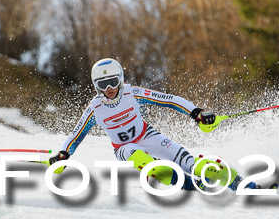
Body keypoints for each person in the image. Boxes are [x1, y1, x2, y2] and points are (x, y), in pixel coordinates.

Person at [49, 58, 255, 191]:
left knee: (195, 165)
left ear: (121, 79)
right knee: (146, 161)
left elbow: (169, 99)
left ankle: (245, 185)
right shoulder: (95, 109)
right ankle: (186, 182)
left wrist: (196, 112)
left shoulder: (133, 93)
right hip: (123, 148)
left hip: (149, 136)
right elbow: (76, 135)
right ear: (96, 87)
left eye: (113, 81)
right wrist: (63, 154)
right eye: (103, 85)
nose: (110, 88)